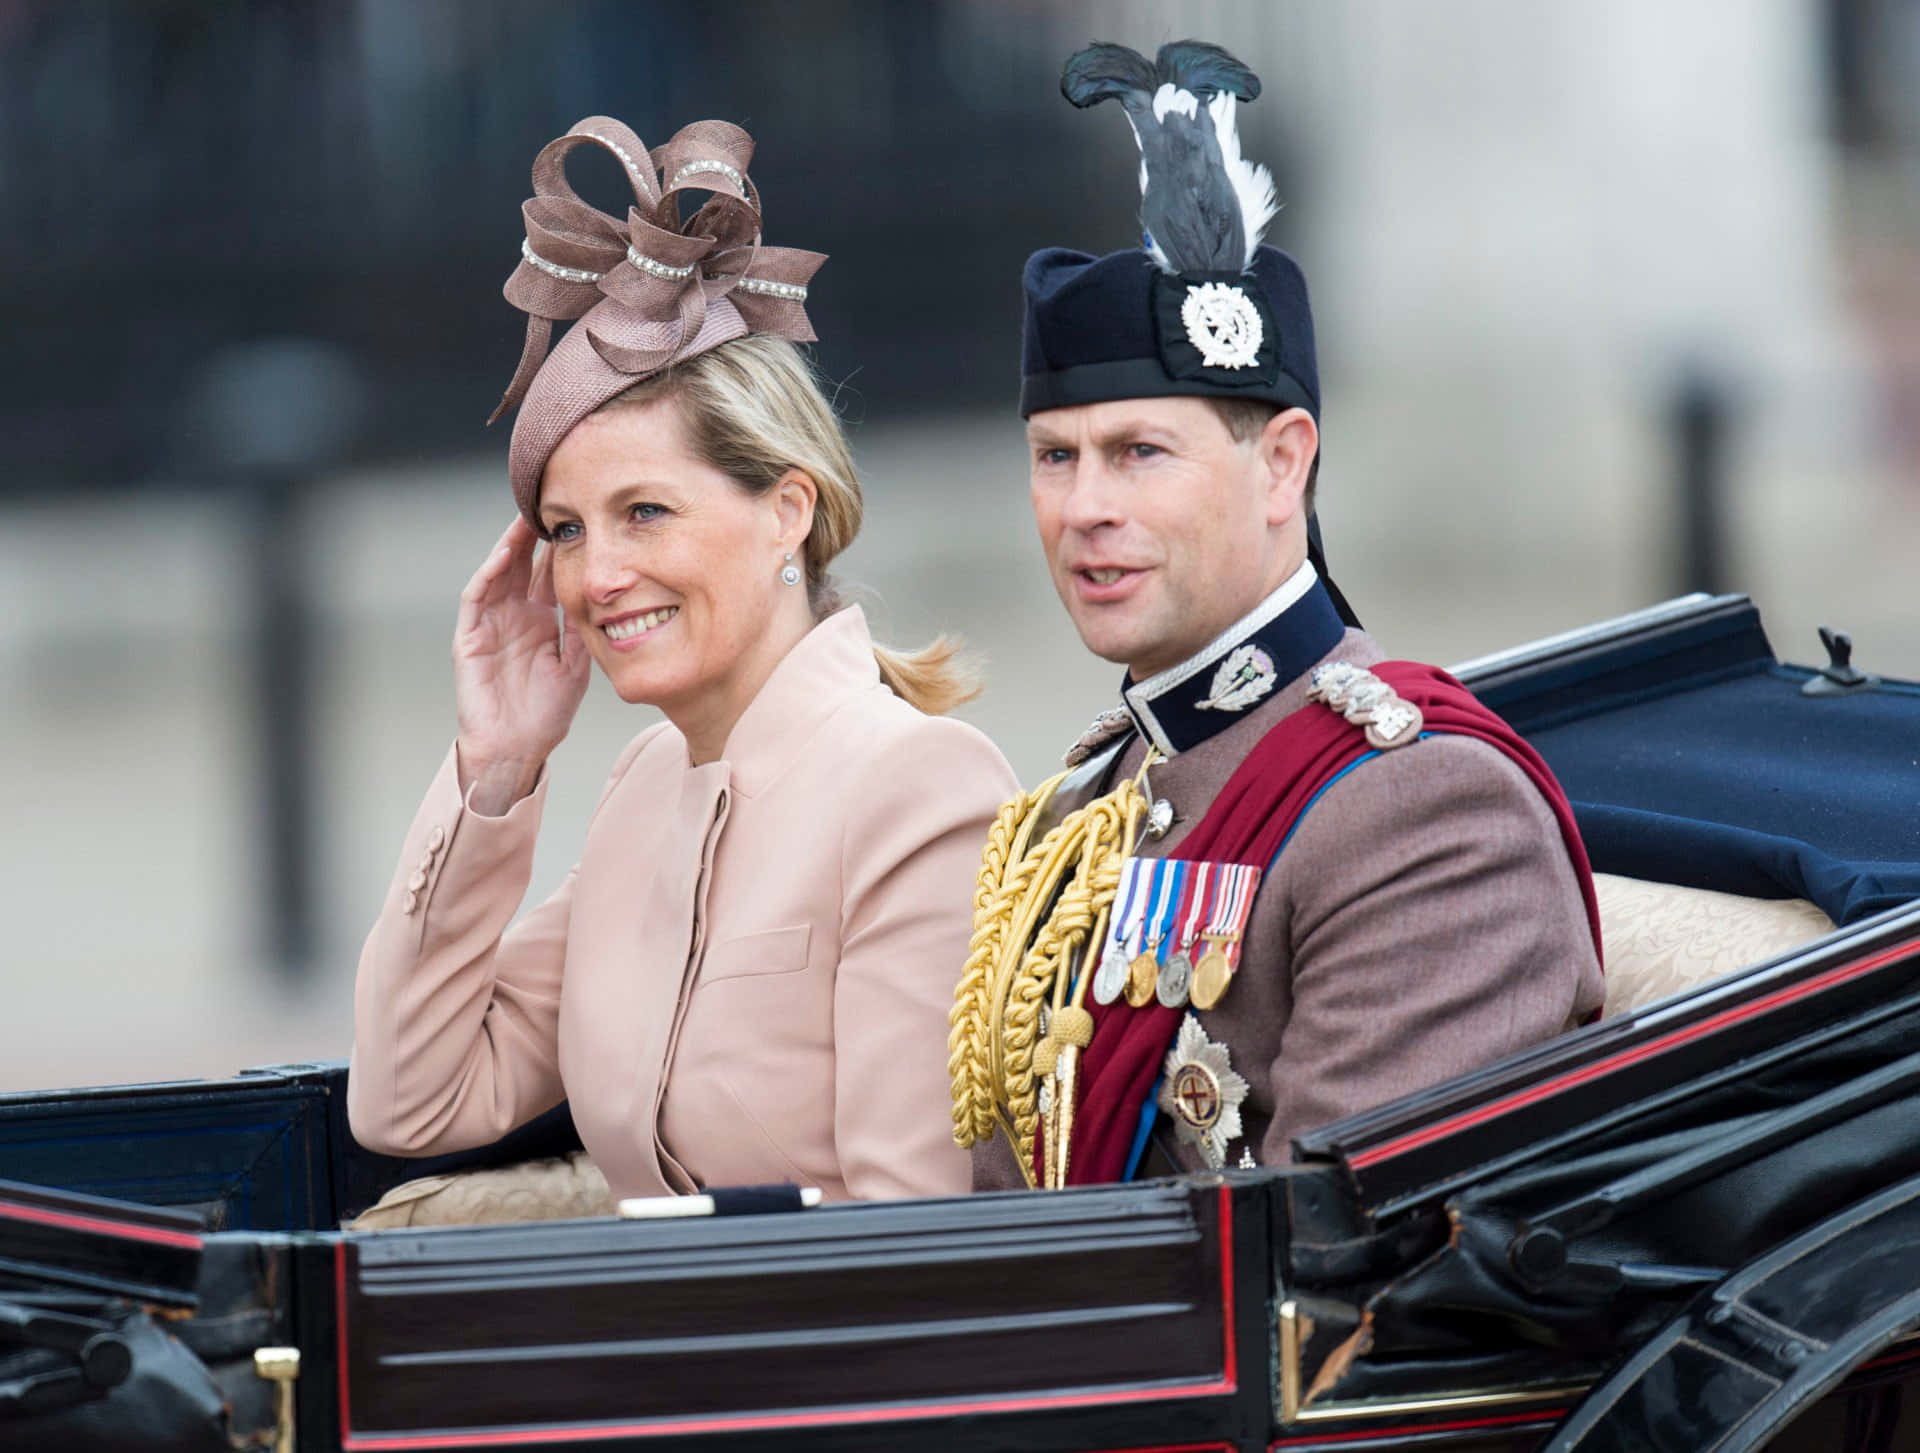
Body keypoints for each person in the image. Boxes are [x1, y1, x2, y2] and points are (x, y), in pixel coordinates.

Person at [949, 43, 1603, 1190]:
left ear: (1281, 467)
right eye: (1056, 457)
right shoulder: (1095, 801)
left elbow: (1333, 1264)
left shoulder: (1418, 809)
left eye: (1140, 454)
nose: (1085, 508)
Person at [348, 115, 1015, 1204]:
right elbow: (410, 1099)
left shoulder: (920, 784)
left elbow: (911, 1239)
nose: (597, 574)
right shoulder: (646, 786)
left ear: (786, 510)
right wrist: (498, 765)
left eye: (644, 512)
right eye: (566, 530)